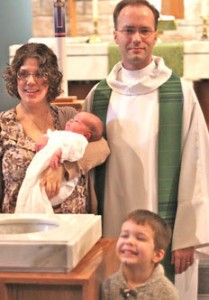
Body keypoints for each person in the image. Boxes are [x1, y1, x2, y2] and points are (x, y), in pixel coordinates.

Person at [83, 0, 209, 297]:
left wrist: (187, 236)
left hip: (166, 224)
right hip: (112, 223)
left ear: (155, 36)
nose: (136, 38)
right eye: (128, 30)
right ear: (115, 35)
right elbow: (84, 169)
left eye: (144, 30)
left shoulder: (179, 93)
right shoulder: (98, 95)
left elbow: (198, 163)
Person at [0, 42, 110, 214]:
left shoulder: (67, 116)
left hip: (74, 227)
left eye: (39, 74)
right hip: (23, 228)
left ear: (51, 78)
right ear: (15, 79)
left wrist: (63, 167)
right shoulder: (4, 125)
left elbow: (102, 148)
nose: (30, 81)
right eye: (23, 74)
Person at [15, 112, 104, 213]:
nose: (71, 120)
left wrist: (61, 163)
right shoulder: (62, 133)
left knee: (40, 195)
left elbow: (77, 148)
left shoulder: (78, 138)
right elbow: (51, 135)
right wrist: (45, 139)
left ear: (86, 135)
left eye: (76, 121)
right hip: (39, 169)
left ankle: (38, 212)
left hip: (64, 196)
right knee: (32, 190)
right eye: (73, 118)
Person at [102, 209, 179, 300]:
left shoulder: (167, 294)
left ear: (157, 255)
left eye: (140, 238)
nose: (129, 241)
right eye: (124, 236)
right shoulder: (108, 286)